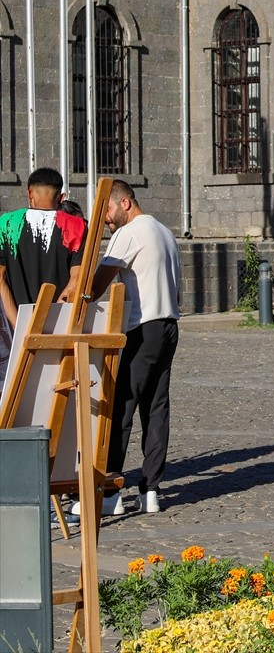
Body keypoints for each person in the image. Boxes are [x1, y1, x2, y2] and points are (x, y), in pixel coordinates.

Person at [77, 180, 181, 516]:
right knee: (156, 408)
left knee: (121, 406)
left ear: (125, 203)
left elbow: (97, 284)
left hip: (143, 327)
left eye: (107, 209)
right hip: (168, 324)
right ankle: (151, 490)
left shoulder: (130, 232)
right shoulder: (164, 232)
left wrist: (76, 292)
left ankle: (110, 492)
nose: (105, 218)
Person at [0, 168, 86, 373]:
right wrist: (50, 323)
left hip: (16, 330)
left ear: (29, 193)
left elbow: (0, 280)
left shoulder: (6, 223)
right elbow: (76, 280)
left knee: (16, 387)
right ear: (61, 197)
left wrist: (20, 326)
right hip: (58, 329)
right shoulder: (77, 226)